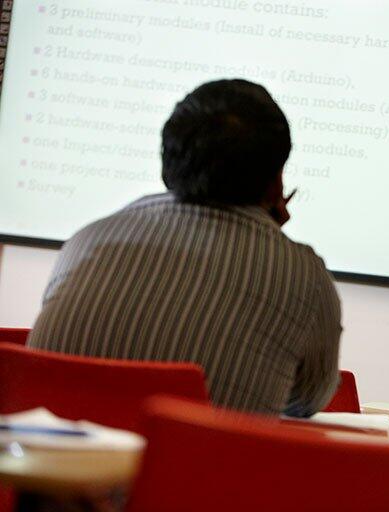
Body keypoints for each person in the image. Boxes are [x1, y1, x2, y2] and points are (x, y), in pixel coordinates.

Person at [28, 79, 342, 418]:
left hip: (38, 450)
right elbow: (305, 401)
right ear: (276, 181)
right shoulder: (303, 276)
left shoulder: (87, 240)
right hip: (192, 454)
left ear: (168, 162)